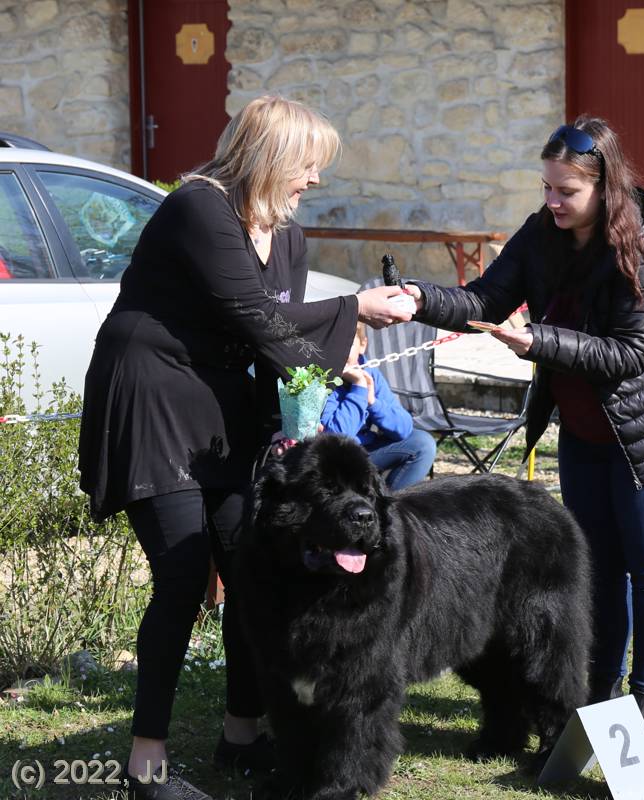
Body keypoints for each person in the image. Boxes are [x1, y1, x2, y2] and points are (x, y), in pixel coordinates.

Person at [77, 95, 411, 800]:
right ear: (270, 156)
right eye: (308, 164)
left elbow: (281, 347)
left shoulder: (286, 236)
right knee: (181, 575)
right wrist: (355, 308)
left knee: (254, 562)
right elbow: (255, 315)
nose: (315, 179)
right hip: (154, 397)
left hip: (225, 408)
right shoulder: (198, 208)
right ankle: (146, 765)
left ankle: (241, 732)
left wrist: (302, 414)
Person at [404, 116, 644, 745]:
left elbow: (630, 354)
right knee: (599, 566)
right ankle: (601, 690)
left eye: (566, 191)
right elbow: (485, 299)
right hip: (582, 433)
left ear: (603, 188)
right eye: (547, 188)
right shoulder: (540, 234)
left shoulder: (643, 252)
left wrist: (538, 342)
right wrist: (419, 299)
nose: (552, 201)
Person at [320, 320, 436, 489]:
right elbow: (335, 440)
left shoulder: (370, 373)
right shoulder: (323, 379)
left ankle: (391, 503)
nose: (341, 351)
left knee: (422, 443)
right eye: (335, 345)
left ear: (362, 345)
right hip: (334, 459)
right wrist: (358, 387)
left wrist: (373, 403)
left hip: (366, 451)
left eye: (348, 344)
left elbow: (404, 428)